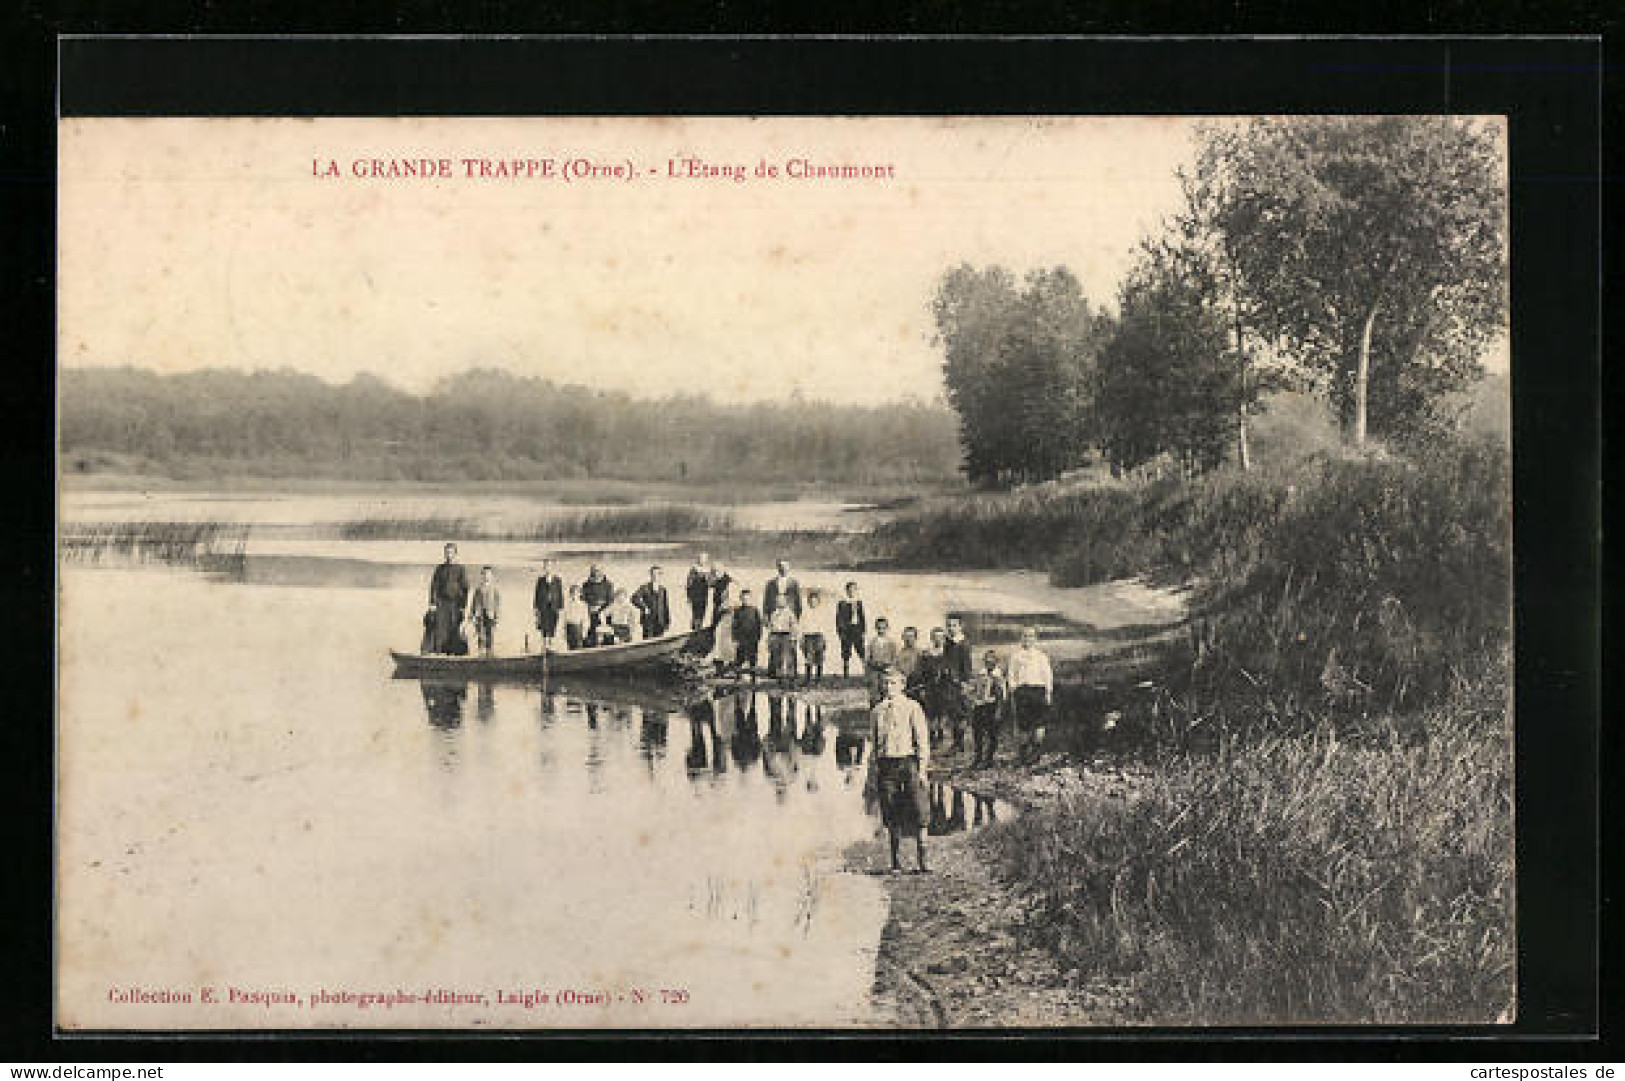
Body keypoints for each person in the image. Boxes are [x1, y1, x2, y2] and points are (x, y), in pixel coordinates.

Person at [867, 668, 931, 874]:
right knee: (891, 809)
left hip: (908, 762)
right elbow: (875, 743)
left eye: (893, 683)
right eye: (885, 683)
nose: (889, 687)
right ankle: (896, 862)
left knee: (919, 808)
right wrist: (874, 768)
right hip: (887, 765)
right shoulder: (877, 710)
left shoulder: (912, 707)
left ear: (902, 685)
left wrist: (922, 769)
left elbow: (922, 740)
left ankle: (924, 861)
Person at [1007, 626, 1055, 762]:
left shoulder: (1041, 656)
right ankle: (1023, 753)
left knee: (1039, 723)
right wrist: (1013, 689)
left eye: (1030, 636)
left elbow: (1047, 675)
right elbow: (1011, 674)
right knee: (1023, 724)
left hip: (1038, 690)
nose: (1027, 639)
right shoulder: (1016, 656)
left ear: (1035, 639)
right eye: (1025, 636)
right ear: (1021, 638)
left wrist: (1048, 693)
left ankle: (1036, 752)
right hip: (1022, 691)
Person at [425, 542, 470, 654]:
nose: (448, 555)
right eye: (446, 553)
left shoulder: (461, 569)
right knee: (440, 629)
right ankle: (439, 653)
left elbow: (465, 588)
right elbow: (434, 586)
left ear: (455, 554)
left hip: (455, 604)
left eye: (451, 552)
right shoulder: (440, 568)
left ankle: (455, 654)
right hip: (441, 603)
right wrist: (432, 603)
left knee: (454, 628)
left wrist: (463, 606)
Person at [969, 649, 1008, 768]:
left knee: (992, 734)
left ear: (996, 661)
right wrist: (973, 697)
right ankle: (978, 757)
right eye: (987, 659)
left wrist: (998, 709)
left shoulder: (999, 676)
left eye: (992, 659)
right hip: (980, 706)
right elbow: (974, 689)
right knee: (977, 732)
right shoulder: (980, 674)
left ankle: (989, 759)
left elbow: (1002, 695)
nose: (989, 661)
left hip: (993, 707)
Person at [942, 615, 975, 752]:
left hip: (959, 683)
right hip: (949, 682)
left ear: (960, 627)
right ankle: (956, 742)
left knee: (960, 712)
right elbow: (946, 661)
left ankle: (960, 742)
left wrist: (965, 683)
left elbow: (967, 665)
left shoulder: (963, 644)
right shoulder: (948, 642)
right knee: (952, 713)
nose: (951, 628)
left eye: (954, 625)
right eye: (949, 625)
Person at [800, 588, 834, 686]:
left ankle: (818, 679)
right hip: (808, 637)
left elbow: (825, 626)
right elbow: (802, 626)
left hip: (819, 636)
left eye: (814, 601)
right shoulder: (805, 613)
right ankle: (807, 679)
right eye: (811, 601)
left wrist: (825, 639)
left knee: (819, 658)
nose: (812, 603)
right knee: (808, 658)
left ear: (818, 602)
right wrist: (802, 638)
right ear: (808, 601)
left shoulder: (822, 613)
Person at [467, 566, 501, 657]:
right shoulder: (478, 589)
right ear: (481, 576)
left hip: (490, 616)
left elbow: (497, 605)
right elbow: (473, 603)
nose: (486, 576)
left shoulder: (495, 589)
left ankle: (490, 653)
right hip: (479, 616)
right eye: (484, 574)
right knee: (480, 634)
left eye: (488, 574)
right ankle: (481, 653)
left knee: (489, 635)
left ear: (492, 576)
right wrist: (471, 616)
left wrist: (497, 618)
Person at [532, 557, 565, 650]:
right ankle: (544, 646)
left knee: (552, 626)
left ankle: (551, 645)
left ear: (553, 567)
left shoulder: (558, 580)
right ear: (544, 568)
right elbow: (536, 594)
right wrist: (535, 608)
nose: (547, 568)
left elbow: (560, 594)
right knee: (543, 627)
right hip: (543, 607)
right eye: (546, 566)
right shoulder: (540, 580)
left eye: (549, 566)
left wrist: (561, 607)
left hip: (554, 607)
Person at [835, 580, 867, 677]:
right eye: (850, 590)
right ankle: (846, 672)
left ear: (856, 591)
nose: (852, 592)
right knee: (846, 651)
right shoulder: (842, 603)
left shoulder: (859, 603)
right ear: (846, 591)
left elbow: (862, 617)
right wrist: (841, 631)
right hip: (847, 629)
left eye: (854, 590)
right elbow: (839, 618)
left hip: (857, 629)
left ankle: (866, 671)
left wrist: (863, 630)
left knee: (861, 650)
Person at [632, 565, 673, 639]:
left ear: (660, 576)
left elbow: (666, 606)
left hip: (660, 622)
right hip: (648, 621)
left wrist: (667, 622)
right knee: (647, 642)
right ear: (650, 575)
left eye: (658, 574)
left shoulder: (663, 590)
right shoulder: (645, 588)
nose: (655, 576)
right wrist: (644, 607)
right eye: (653, 574)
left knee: (659, 642)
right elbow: (634, 598)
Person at [865, 617, 900, 703]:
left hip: (887, 672)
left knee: (886, 693)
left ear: (887, 628)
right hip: (874, 673)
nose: (881, 630)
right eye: (879, 628)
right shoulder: (872, 642)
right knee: (874, 696)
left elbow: (895, 658)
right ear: (876, 628)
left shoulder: (892, 643)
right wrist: (871, 669)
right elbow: (867, 659)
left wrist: (890, 668)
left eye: (883, 628)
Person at [731, 588, 764, 674]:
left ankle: (753, 677)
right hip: (741, 638)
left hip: (752, 638)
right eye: (744, 599)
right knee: (739, 657)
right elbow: (734, 625)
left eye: (747, 599)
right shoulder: (737, 611)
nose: (746, 600)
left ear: (751, 599)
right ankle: (738, 676)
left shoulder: (755, 610)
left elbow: (759, 624)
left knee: (752, 657)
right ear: (741, 599)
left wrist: (758, 636)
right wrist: (734, 638)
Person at [766, 598, 799, 683]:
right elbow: (770, 626)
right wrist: (769, 638)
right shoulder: (774, 613)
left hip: (786, 635)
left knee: (788, 656)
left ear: (785, 602)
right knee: (777, 656)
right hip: (776, 635)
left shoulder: (789, 613)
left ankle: (790, 675)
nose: (780, 603)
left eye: (782, 601)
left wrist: (793, 637)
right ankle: (779, 675)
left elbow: (794, 625)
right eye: (778, 601)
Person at [580, 565, 614, 638]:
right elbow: (583, 598)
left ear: (602, 572)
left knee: (606, 633)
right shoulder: (586, 585)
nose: (596, 573)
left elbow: (610, 600)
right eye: (594, 571)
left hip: (604, 613)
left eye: (598, 571)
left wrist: (601, 608)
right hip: (591, 613)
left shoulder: (608, 584)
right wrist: (589, 606)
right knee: (592, 633)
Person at [685, 553, 713, 630]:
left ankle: (699, 628)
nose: (703, 560)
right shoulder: (694, 569)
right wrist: (689, 597)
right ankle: (695, 629)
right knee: (696, 614)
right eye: (701, 559)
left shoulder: (708, 570)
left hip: (704, 595)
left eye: (704, 559)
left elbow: (710, 583)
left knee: (702, 613)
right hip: (695, 596)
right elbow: (688, 584)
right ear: (698, 559)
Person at [562, 584, 589, 650]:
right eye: (572, 593)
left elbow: (586, 619)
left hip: (578, 628)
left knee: (578, 647)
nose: (574, 595)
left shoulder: (583, 605)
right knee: (571, 647)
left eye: (576, 593)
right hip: (569, 628)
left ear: (580, 594)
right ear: (570, 594)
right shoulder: (568, 605)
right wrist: (564, 631)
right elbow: (564, 619)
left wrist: (584, 631)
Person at [709, 560, 733, 628]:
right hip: (718, 606)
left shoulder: (727, 580)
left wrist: (725, 605)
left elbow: (730, 597)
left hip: (725, 608)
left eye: (717, 571)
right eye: (713, 572)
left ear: (722, 570)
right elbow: (710, 583)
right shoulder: (718, 580)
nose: (715, 573)